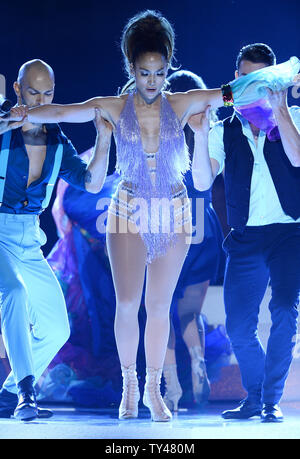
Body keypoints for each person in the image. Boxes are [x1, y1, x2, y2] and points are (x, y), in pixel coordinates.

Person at [6, 13, 295, 422]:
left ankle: (154, 391)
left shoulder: (183, 103)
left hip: (174, 210)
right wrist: (26, 114)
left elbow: (231, 92)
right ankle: (129, 388)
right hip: (127, 209)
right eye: (144, 73)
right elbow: (63, 113)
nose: (152, 81)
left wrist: (278, 78)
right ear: (132, 69)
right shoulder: (111, 105)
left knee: (159, 307)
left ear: (169, 68)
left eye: (160, 72)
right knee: (129, 305)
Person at [191, 43, 300, 423]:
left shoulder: (294, 116)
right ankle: (255, 397)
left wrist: (281, 109)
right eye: (246, 78)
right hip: (246, 235)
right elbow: (204, 180)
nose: (252, 85)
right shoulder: (225, 129)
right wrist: (201, 132)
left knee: (285, 312)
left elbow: (298, 157)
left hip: (289, 232)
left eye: (261, 79)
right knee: (239, 327)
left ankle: (270, 400)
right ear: (237, 79)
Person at [0, 59, 112, 421]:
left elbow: (93, 183)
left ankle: (10, 392)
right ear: (18, 90)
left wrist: (104, 137)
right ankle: (27, 394)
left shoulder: (58, 142)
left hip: (29, 237)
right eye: (33, 92)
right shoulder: (4, 127)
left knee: (56, 327)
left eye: (48, 93)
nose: (40, 100)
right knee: (13, 293)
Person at [162, 70, 225, 410]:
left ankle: (171, 386)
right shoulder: (211, 129)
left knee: (159, 311)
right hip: (205, 227)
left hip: (169, 226)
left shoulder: (161, 131)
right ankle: (197, 358)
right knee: (190, 312)